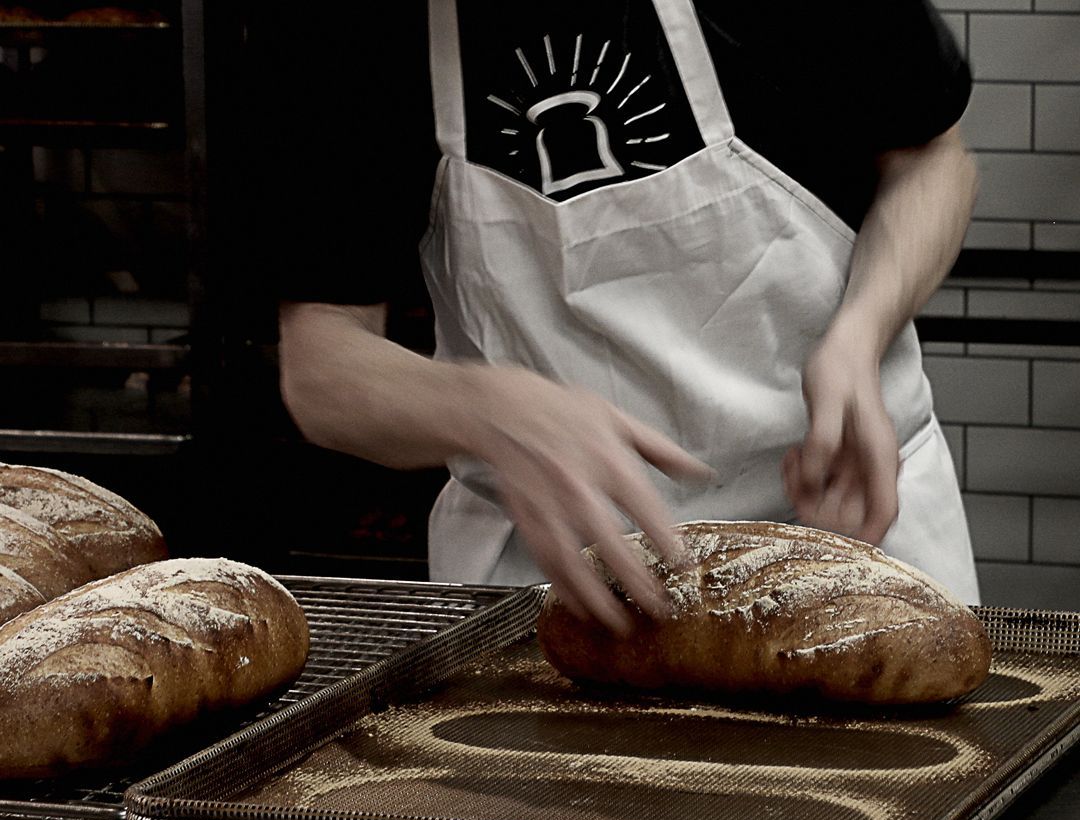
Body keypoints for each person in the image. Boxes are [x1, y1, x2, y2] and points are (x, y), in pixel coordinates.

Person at [274, 0, 980, 633]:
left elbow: (930, 159)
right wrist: (482, 407)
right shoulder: (347, 27)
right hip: (559, 584)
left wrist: (861, 333)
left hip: (853, 546)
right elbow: (321, 367)